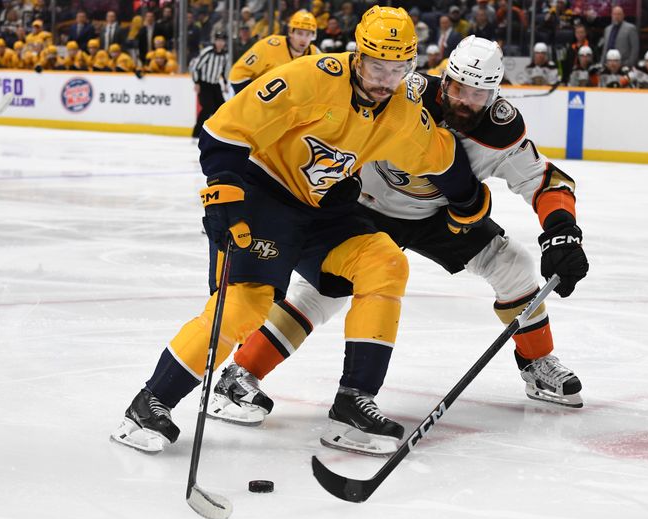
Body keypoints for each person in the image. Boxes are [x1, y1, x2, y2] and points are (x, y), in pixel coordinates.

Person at [111, 6, 481, 455]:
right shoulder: (310, 77)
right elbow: (224, 130)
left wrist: (470, 203)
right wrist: (224, 188)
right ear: (358, 55)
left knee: (386, 263)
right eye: (378, 65)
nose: (386, 80)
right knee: (245, 305)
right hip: (263, 194)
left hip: (326, 208)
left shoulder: (402, 111)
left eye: (399, 68)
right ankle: (150, 403)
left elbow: (442, 161)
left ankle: (354, 399)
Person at [208, 37, 589, 452]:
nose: (464, 100)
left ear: (495, 93)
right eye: (458, 87)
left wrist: (561, 230)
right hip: (367, 207)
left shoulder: (500, 130)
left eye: (478, 94)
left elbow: (543, 180)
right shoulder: (403, 94)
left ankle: (536, 363)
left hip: (439, 216)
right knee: (323, 291)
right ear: (444, 80)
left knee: (512, 264)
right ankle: (240, 374)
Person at [230, 10, 319, 95]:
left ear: (313, 35)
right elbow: (238, 74)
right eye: (299, 33)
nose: (303, 39)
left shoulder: (316, 55)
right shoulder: (269, 46)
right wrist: (251, 99)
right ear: (291, 32)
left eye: (308, 34)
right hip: (263, 101)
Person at [190, 30, 230, 139]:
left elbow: (225, 70)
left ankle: (218, 134)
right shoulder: (208, 51)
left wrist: (226, 84)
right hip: (204, 84)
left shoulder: (225, 55)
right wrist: (197, 82)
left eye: (222, 41)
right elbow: (196, 67)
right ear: (215, 41)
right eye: (218, 40)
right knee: (208, 107)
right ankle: (196, 133)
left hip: (215, 85)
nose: (220, 43)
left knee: (221, 109)